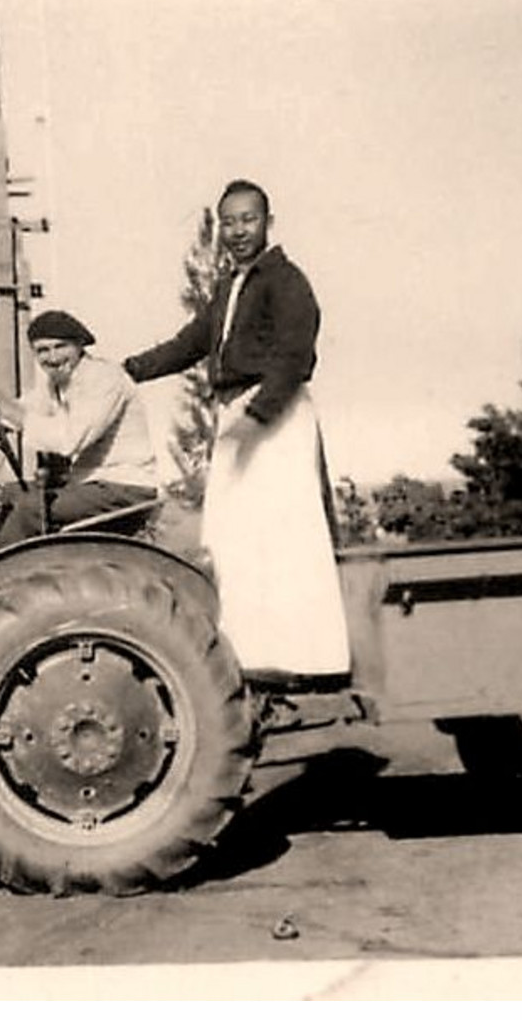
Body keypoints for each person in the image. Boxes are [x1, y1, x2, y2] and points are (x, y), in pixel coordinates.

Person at [123, 179, 350, 690]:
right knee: (232, 539)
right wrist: (127, 371)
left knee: (283, 535)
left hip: (274, 416)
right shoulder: (229, 285)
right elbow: (189, 343)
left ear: (268, 223)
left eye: (248, 220)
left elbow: (296, 356)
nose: (237, 231)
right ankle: (247, 655)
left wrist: (258, 418)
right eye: (228, 222)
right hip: (236, 415)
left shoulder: (286, 280)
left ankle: (307, 659)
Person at [0, 310, 157, 551]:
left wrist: (4, 406)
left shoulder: (105, 378)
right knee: (0, 496)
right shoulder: (57, 385)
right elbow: (22, 411)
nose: (53, 357)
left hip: (124, 487)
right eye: (42, 351)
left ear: (80, 345)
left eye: (60, 347)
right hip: (89, 486)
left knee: (31, 509)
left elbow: (68, 441)